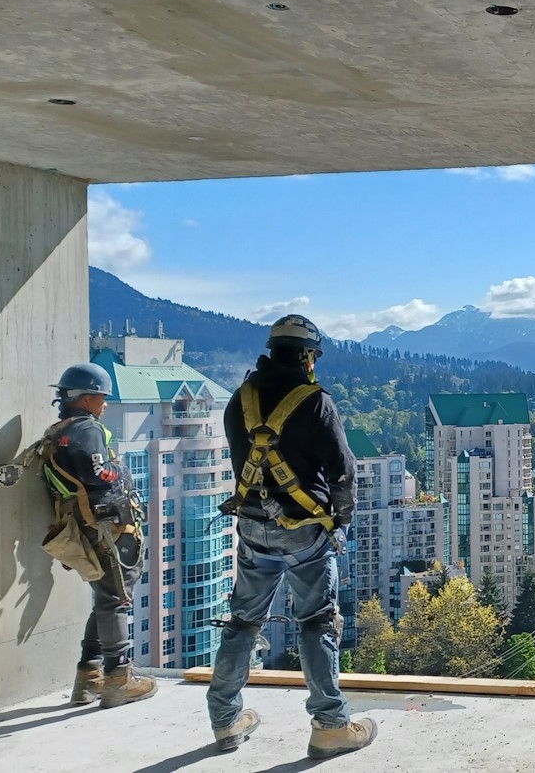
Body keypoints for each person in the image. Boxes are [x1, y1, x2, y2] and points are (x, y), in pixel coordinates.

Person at [206, 315, 377, 759]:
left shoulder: (238, 400)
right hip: (303, 530)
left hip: (252, 524)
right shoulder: (315, 401)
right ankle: (330, 725)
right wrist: (340, 518)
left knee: (243, 621)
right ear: (307, 357)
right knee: (316, 621)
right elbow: (343, 470)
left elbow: (241, 457)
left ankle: (224, 720)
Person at [41, 362, 157, 708]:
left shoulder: (57, 431)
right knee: (116, 600)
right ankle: (119, 679)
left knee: (105, 598)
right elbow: (98, 474)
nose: (105, 405)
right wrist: (118, 470)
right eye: (102, 398)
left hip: (87, 527)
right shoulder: (87, 429)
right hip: (108, 528)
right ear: (88, 398)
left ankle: (89, 675)